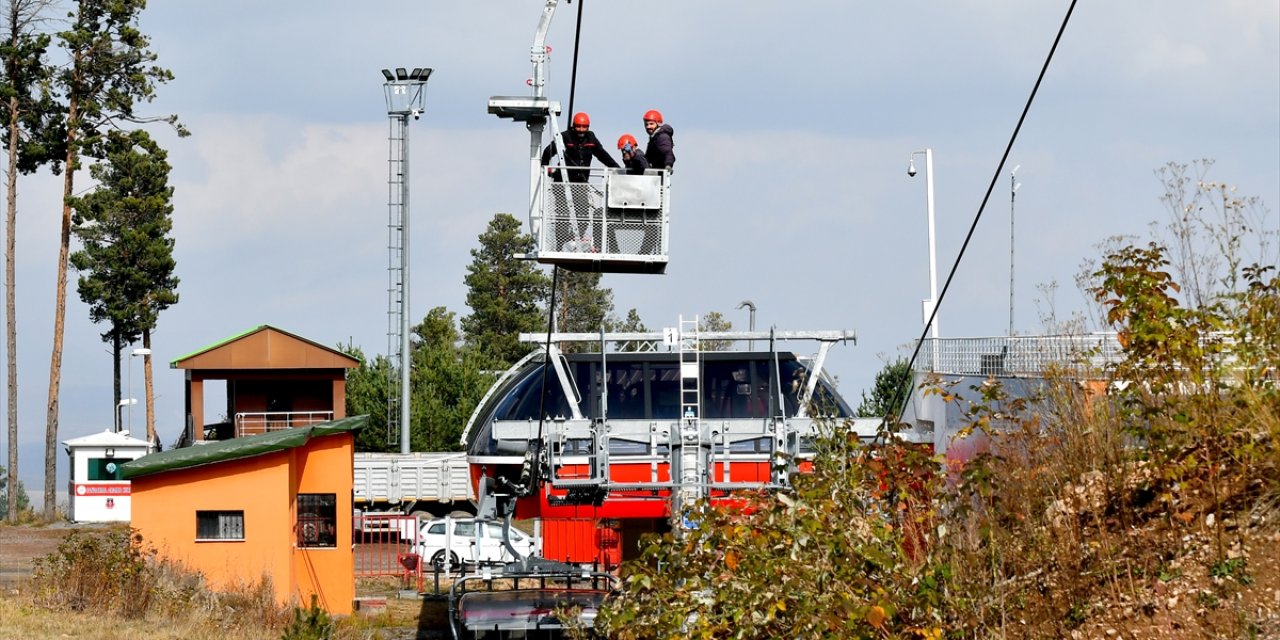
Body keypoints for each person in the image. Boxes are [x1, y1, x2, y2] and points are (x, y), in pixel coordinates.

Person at [540, 111, 620, 182]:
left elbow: (603, 155)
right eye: (578, 126)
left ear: (588, 127)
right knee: (563, 198)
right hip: (562, 180)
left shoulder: (590, 137)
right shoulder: (565, 136)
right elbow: (548, 151)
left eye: (584, 127)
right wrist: (547, 168)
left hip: (581, 182)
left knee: (582, 199)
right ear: (574, 126)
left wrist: (617, 169)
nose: (581, 130)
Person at [642, 109, 675, 173]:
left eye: (651, 124)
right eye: (646, 124)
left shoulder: (662, 137)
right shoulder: (654, 138)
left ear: (658, 124)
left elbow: (667, 152)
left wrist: (668, 165)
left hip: (659, 178)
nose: (648, 127)